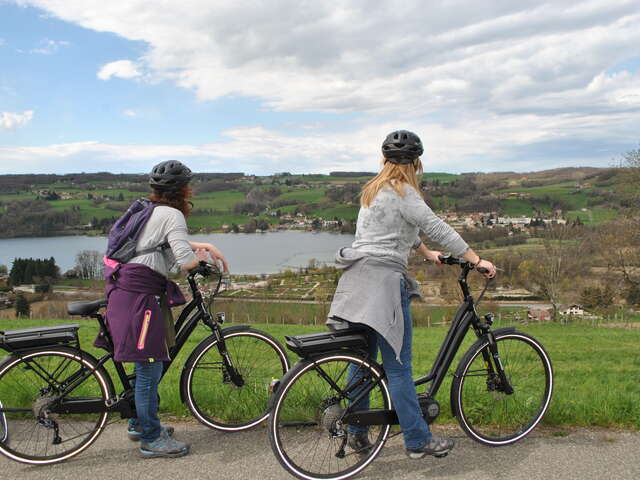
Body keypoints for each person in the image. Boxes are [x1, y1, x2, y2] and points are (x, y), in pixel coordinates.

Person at [327, 130, 496, 459]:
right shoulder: (404, 192)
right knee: (399, 368)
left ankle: (358, 432)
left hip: (355, 280)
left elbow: (390, 229)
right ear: (416, 163)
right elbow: (438, 227)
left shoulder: (372, 191)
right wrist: (477, 260)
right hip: (383, 286)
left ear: (385, 161)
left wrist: (425, 252)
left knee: (361, 362)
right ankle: (418, 440)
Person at [104, 160, 228, 458]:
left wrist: (204, 245)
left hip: (129, 291)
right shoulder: (172, 213)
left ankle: (140, 421)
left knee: (146, 362)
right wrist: (204, 264)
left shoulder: (148, 209)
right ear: (183, 189)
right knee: (149, 366)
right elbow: (184, 260)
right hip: (140, 297)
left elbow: (158, 246)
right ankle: (150, 438)